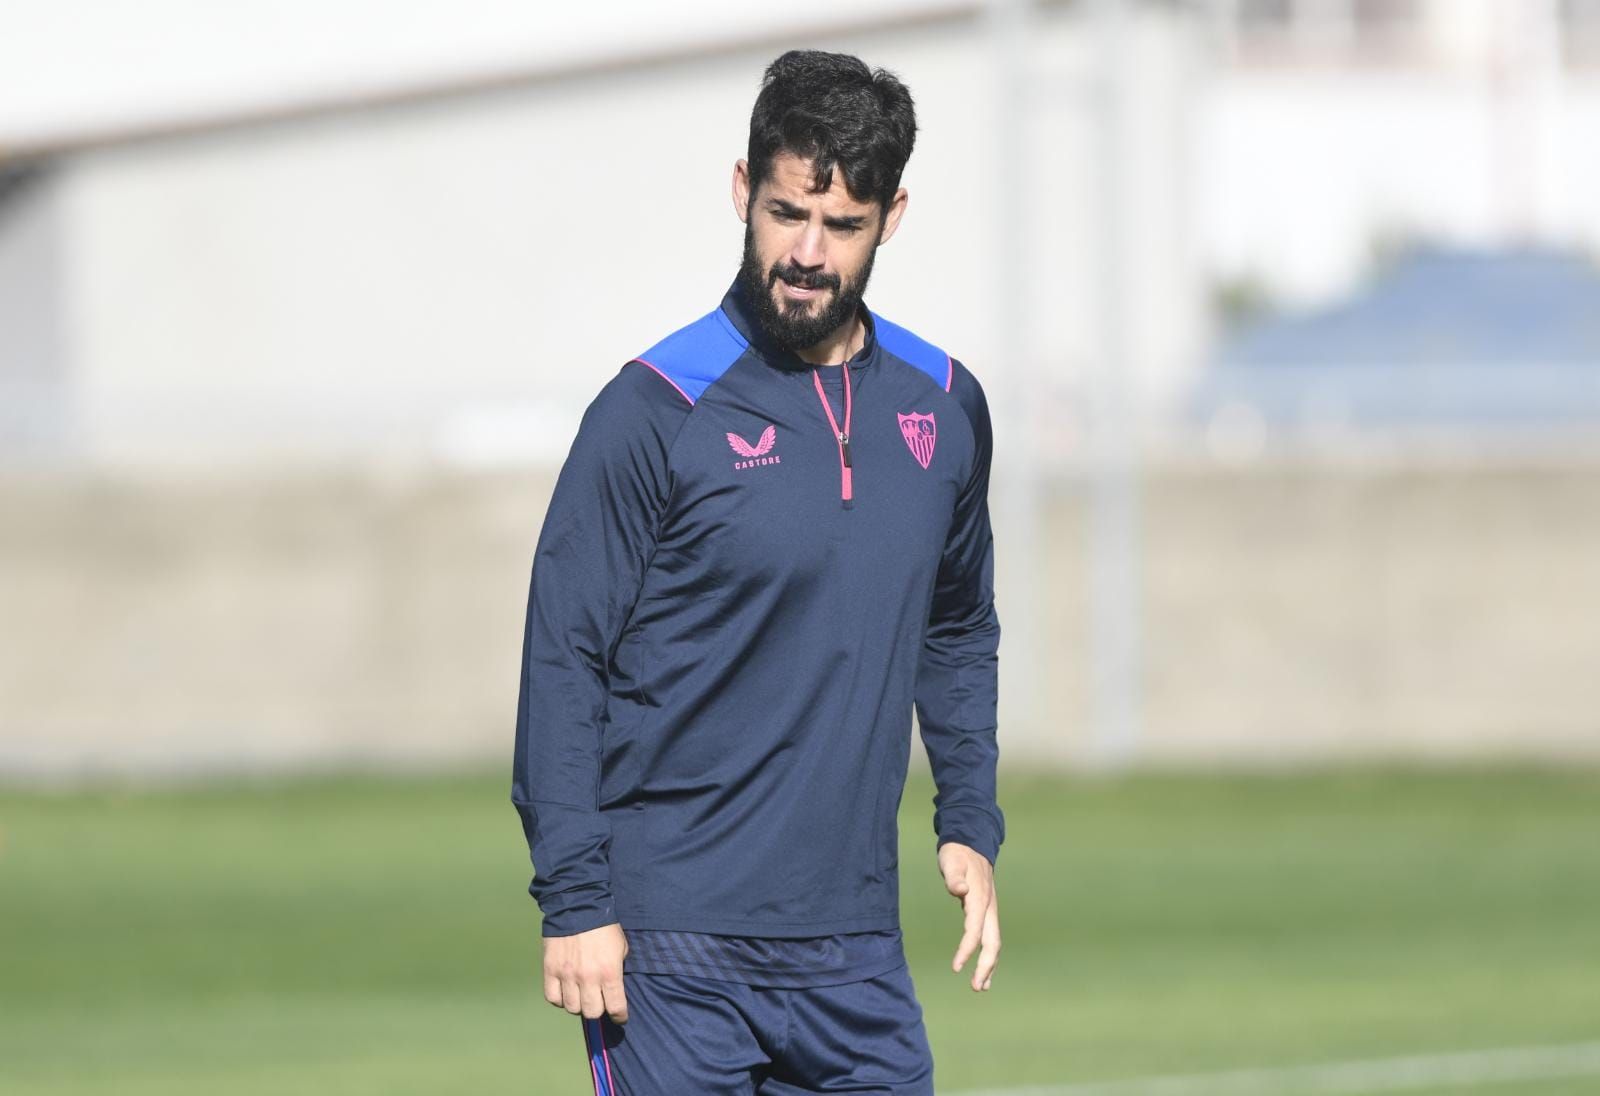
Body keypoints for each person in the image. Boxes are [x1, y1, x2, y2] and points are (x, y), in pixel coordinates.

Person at [512, 47, 1004, 1096]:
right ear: (743, 191)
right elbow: (563, 658)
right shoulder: (653, 409)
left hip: (856, 951)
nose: (808, 253)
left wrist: (968, 814)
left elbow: (958, 624)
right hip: (669, 951)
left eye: (842, 225)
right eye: (787, 214)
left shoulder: (946, 405)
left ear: (891, 218)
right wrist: (575, 900)